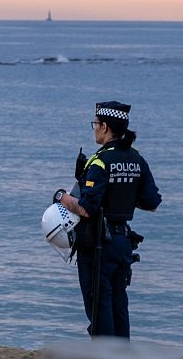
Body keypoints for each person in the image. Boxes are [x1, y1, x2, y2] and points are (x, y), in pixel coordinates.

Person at [56, 101, 161, 338]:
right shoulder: (137, 159)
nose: (94, 128)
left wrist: (61, 197)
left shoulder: (101, 161)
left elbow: (86, 209)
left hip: (98, 246)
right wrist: (122, 196)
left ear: (104, 127)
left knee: (99, 308)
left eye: (95, 124)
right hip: (123, 242)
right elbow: (152, 203)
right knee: (118, 304)